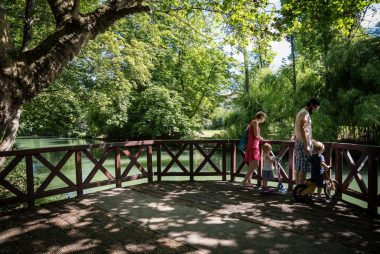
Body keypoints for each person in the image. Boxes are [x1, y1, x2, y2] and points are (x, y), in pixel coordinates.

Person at [294, 98, 320, 185]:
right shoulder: (305, 113)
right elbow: (301, 128)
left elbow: (299, 128)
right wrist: (306, 143)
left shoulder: (301, 111)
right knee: (303, 168)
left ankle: (297, 188)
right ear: (311, 105)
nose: (315, 110)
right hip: (302, 143)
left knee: (299, 166)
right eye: (315, 108)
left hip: (299, 141)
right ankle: (301, 189)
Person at [242, 111, 267, 188]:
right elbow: (256, 135)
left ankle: (249, 182)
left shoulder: (253, 122)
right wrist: (262, 139)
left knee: (251, 165)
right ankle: (244, 181)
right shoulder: (255, 121)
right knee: (256, 164)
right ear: (262, 117)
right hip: (253, 145)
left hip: (253, 145)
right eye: (264, 118)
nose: (264, 120)